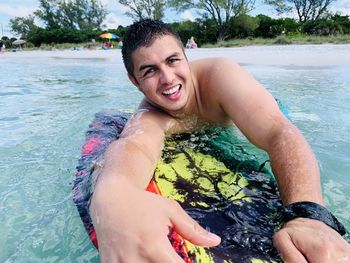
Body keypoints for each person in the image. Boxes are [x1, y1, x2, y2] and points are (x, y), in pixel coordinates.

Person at [89, 19, 349, 262]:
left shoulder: (219, 77)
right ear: (135, 82)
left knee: (279, 118)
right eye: (150, 71)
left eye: (172, 61)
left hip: (256, 108)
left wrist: (308, 214)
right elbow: (133, 145)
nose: (167, 78)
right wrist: (111, 193)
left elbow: (278, 132)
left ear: (186, 58)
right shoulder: (150, 116)